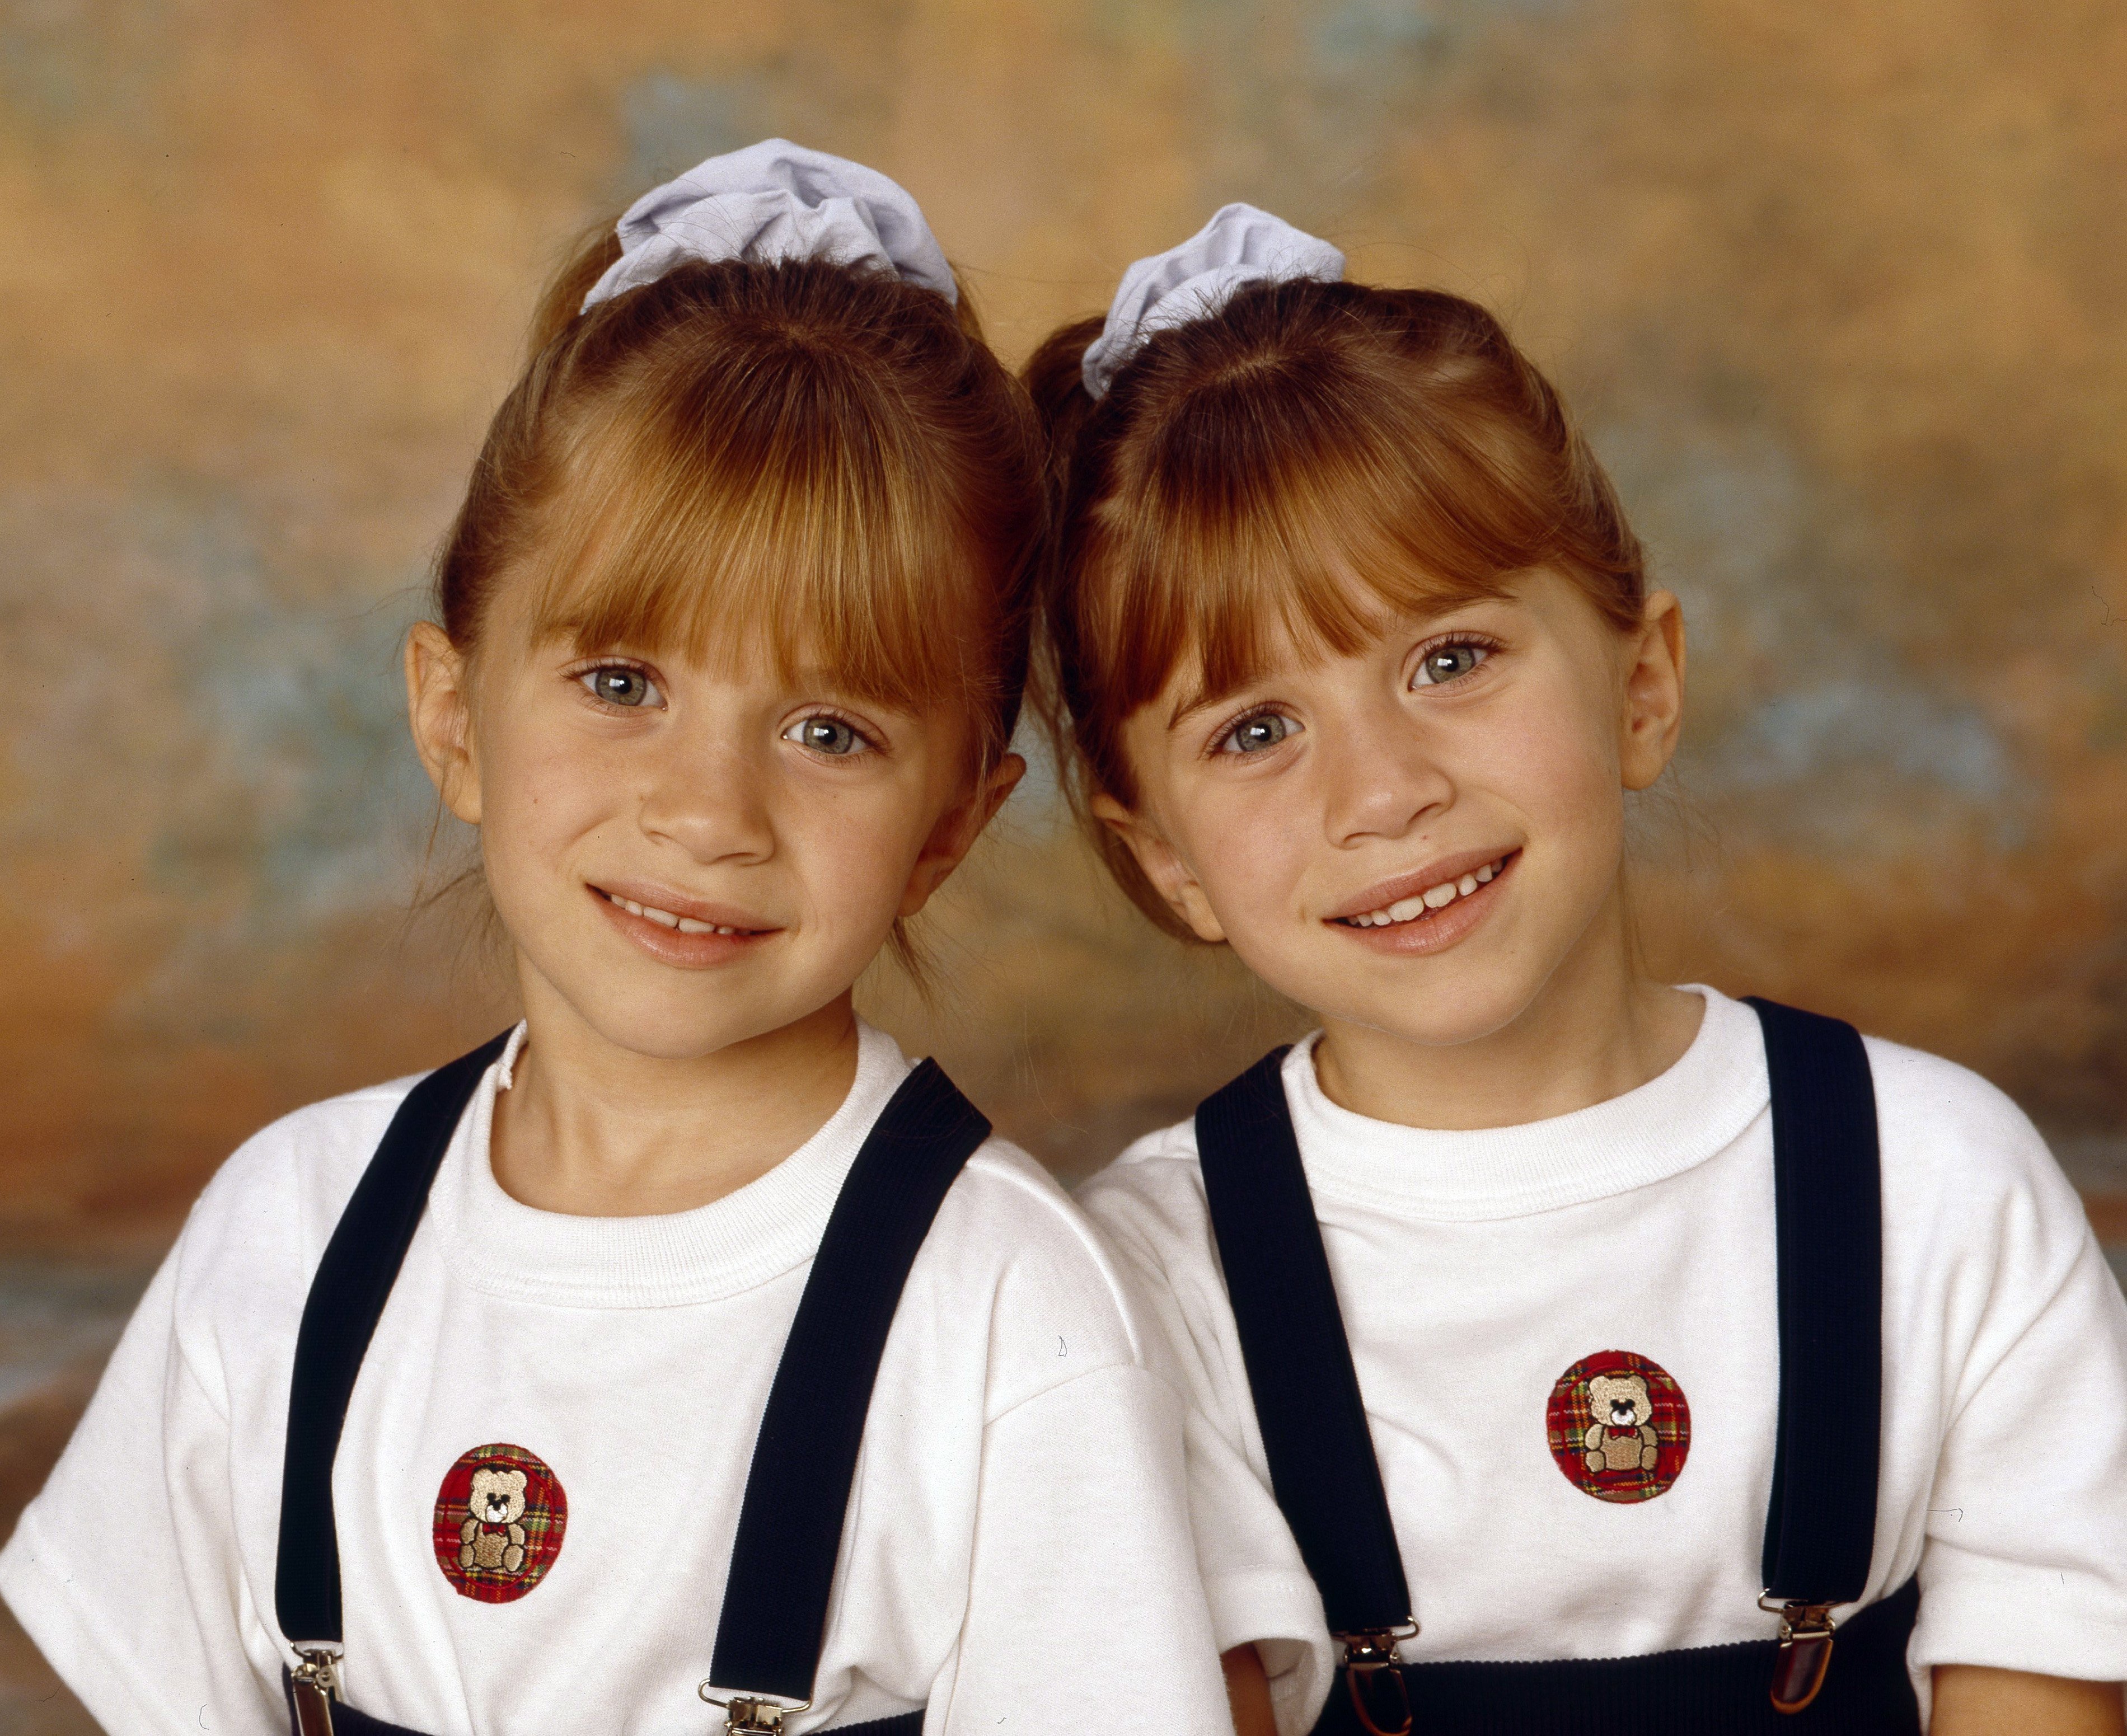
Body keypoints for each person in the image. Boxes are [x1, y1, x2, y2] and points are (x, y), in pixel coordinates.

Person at [0, 149, 1326, 1736]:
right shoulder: (285, 1231)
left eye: (830, 730)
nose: (708, 815)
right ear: (453, 715)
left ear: (951, 829)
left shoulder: (1003, 1312)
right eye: (622, 684)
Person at [1025, 204, 2127, 1734]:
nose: (1383, 792)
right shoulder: (1145, 1286)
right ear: (1167, 862)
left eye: (1450, 659)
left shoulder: (1938, 1182)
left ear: (1642, 686)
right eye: (1256, 729)